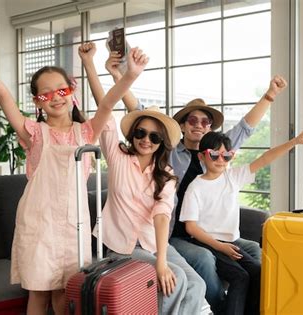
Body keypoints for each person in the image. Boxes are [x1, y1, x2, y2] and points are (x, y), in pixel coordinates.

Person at [0, 23, 147, 315]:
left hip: (74, 227)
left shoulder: (86, 132)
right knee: (38, 295)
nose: (56, 97)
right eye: (46, 94)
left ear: (72, 92)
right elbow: (2, 92)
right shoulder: (33, 133)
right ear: (37, 101)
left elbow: (108, 104)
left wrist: (130, 75)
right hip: (39, 226)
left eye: (62, 90)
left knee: (65, 295)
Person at [104, 49, 288, 313]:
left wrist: (269, 95)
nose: (199, 125)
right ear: (181, 125)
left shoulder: (215, 153)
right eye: (192, 119)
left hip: (210, 231)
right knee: (202, 257)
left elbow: (245, 128)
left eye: (206, 121)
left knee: (254, 250)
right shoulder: (168, 152)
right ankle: (221, 307)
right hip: (179, 233)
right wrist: (119, 75)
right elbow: (140, 113)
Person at [82, 43, 206, 315]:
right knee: (177, 280)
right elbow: (105, 107)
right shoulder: (117, 157)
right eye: (140, 133)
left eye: (154, 136)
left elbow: (161, 215)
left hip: (153, 244)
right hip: (120, 246)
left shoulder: (167, 175)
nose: (146, 140)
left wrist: (161, 260)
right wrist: (90, 64)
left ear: (162, 142)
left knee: (197, 285)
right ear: (132, 134)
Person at [179, 130, 303, 314]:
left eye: (226, 156)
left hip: (231, 243)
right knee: (240, 277)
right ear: (202, 156)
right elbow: (191, 227)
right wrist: (220, 247)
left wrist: (295, 142)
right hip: (207, 242)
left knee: (259, 272)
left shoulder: (232, 177)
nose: (220, 160)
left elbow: (265, 158)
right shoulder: (195, 187)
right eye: (214, 155)